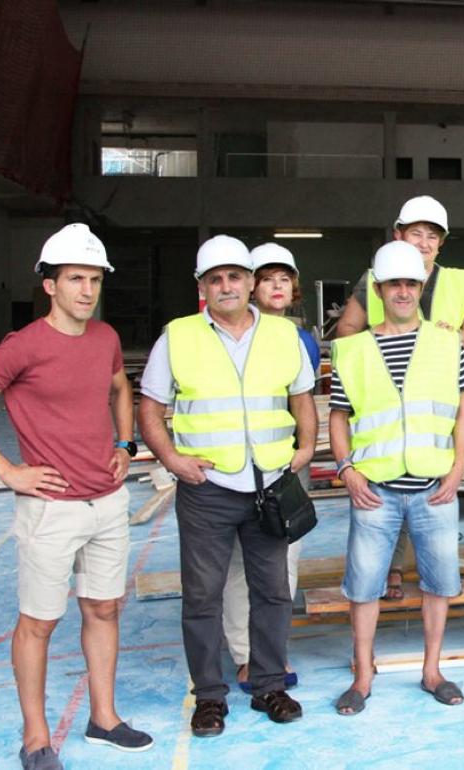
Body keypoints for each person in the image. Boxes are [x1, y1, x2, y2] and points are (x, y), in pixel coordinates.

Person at [0, 224, 153, 770]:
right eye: (75, 279)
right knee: (39, 621)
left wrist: (125, 443)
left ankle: (103, 718)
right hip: (50, 509)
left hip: (107, 502)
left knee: (104, 609)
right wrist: (10, 471)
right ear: (50, 285)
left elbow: (119, 386)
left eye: (94, 279)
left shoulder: (104, 338)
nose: (87, 289)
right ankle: (36, 738)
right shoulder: (24, 346)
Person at [138, 235, 317, 736]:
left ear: (250, 282)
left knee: (273, 593)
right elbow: (149, 407)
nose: (226, 286)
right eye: (214, 279)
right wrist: (172, 459)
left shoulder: (282, 335)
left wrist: (304, 448)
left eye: (234, 276)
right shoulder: (177, 336)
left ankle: (268, 685)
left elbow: (302, 397)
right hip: (207, 490)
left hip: (269, 485)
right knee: (202, 597)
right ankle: (209, 696)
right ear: (202, 287)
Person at [329, 240, 464, 715]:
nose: (404, 291)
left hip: (434, 487)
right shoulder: (350, 350)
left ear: (422, 285)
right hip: (375, 491)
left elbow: (463, 411)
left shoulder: (447, 342)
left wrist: (457, 470)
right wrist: (347, 469)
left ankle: (432, 671)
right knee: (364, 587)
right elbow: (338, 415)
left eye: (412, 283)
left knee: (439, 583)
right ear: (378, 288)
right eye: (395, 283)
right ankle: (362, 675)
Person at [335, 195, 464, 601]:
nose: (423, 242)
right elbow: (346, 331)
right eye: (415, 233)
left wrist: (444, 339)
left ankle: (421, 574)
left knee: (428, 490)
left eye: (431, 236)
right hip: (389, 395)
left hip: (439, 394)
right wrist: (378, 344)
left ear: (441, 243)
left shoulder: (459, 281)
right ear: (399, 234)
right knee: (388, 481)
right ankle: (394, 569)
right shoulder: (375, 278)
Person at [220, 242, 319, 693]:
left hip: (285, 466)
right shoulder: (228, 336)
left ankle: (272, 653)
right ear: (249, 286)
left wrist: (305, 451)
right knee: (241, 564)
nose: (276, 286)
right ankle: (245, 655)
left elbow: (302, 403)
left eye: (284, 278)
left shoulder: (301, 340)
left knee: (284, 560)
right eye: (266, 278)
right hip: (237, 468)